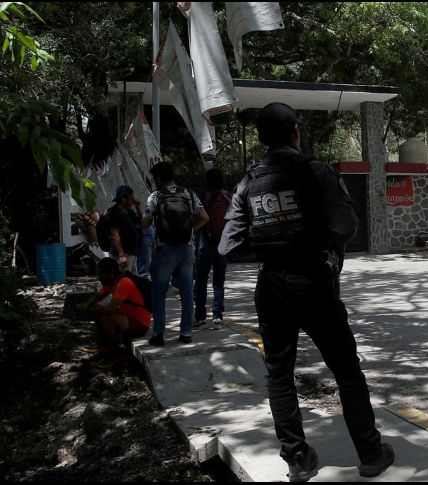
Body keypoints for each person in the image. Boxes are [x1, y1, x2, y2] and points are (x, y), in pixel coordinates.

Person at [218, 102, 394, 482]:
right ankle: (370, 453)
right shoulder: (316, 172)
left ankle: (297, 459)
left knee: (279, 373)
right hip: (315, 282)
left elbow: (228, 247)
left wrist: (270, 249)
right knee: (346, 370)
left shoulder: (248, 183)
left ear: (262, 139)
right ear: (296, 131)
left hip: (272, 286)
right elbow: (346, 225)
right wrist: (312, 245)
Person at [142, 161, 208, 346]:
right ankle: (186, 333)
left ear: (158, 178)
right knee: (187, 291)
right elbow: (204, 218)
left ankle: (158, 334)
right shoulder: (188, 193)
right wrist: (191, 231)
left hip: (165, 249)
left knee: (159, 292)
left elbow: (145, 223)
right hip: (187, 249)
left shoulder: (155, 196)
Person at [77, 257, 151, 368]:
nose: (99, 277)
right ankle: (108, 341)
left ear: (110, 273)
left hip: (140, 323)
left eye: (101, 274)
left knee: (106, 317)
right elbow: (98, 297)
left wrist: (87, 310)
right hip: (127, 317)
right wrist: (87, 305)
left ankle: (115, 351)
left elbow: (110, 309)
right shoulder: (113, 281)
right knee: (97, 306)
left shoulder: (124, 283)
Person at [194, 168, 231, 329]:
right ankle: (217, 316)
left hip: (205, 243)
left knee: (201, 281)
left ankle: (200, 315)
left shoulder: (203, 196)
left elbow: (197, 218)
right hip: (223, 244)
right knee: (218, 281)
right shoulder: (227, 196)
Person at [107, 185, 142, 273]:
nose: (133, 199)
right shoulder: (114, 212)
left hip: (131, 251)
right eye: (131, 197)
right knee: (123, 277)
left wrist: (137, 207)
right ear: (123, 199)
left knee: (132, 279)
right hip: (123, 252)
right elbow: (115, 233)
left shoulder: (129, 211)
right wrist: (121, 254)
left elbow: (140, 222)